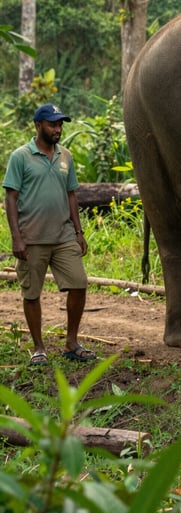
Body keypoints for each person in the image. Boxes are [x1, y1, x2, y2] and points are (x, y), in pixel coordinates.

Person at [3, 103, 95, 366]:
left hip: (64, 235)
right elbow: (11, 198)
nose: (58, 129)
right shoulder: (20, 156)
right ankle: (39, 347)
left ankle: (71, 343)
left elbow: (71, 195)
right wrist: (16, 237)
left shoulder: (66, 156)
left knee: (78, 283)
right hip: (31, 238)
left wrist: (78, 232)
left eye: (60, 124)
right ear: (38, 125)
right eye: (53, 124)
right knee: (32, 293)